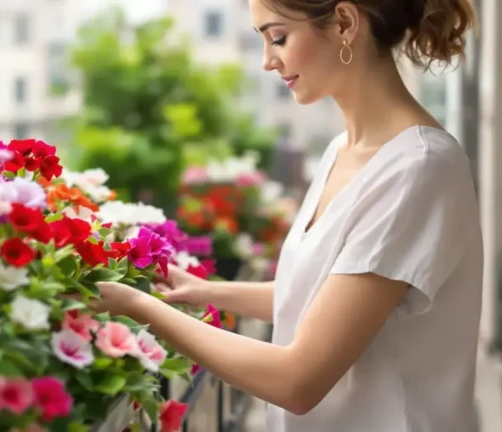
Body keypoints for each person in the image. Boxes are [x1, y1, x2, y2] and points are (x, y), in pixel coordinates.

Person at [90, 1, 483, 431]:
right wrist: (204, 292)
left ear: (345, 23)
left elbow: (299, 380)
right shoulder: (343, 152)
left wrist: (137, 305)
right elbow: (318, 294)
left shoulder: (419, 169)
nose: (266, 61)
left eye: (278, 37)